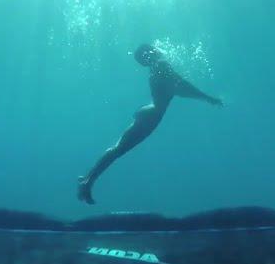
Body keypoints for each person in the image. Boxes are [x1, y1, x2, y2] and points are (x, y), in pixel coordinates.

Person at [77, 43, 223, 204]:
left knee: (118, 149)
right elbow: (182, 86)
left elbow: (177, 88)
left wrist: (204, 98)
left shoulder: (155, 68)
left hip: (149, 114)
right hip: (151, 117)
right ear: (151, 52)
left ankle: (87, 179)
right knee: (119, 150)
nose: (160, 49)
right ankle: (87, 183)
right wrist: (208, 98)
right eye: (154, 47)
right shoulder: (161, 65)